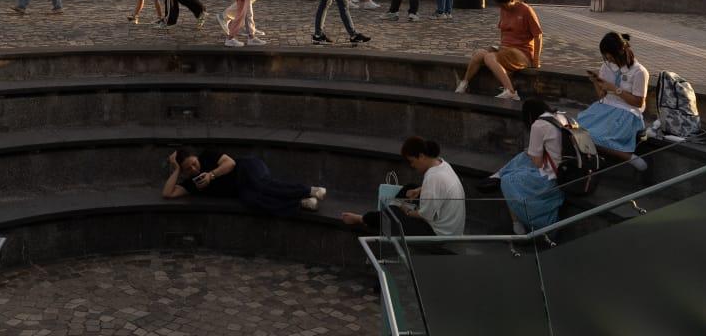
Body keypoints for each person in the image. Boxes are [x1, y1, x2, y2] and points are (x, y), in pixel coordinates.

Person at [337, 137, 466, 237]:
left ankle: (363, 219)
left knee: (392, 215)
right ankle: (387, 210)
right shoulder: (442, 164)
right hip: (451, 228)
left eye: (412, 161)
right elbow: (440, 188)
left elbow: (425, 215)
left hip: (438, 235)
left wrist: (407, 211)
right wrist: (420, 190)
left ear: (421, 156)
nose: (412, 166)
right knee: (410, 188)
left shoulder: (433, 178)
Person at [163, 150, 326, 214]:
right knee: (253, 201)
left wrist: (211, 175)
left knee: (262, 184)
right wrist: (176, 169)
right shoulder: (191, 184)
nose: (194, 169)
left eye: (194, 163)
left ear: (196, 157)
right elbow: (168, 193)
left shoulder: (207, 155)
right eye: (188, 169)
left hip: (246, 167)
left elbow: (230, 163)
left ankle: (310, 190)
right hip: (241, 189)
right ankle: (302, 202)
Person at [456, 0, 543, 101]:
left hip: (522, 52)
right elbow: (503, 31)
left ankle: (510, 91)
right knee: (479, 53)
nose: (502, 8)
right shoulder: (503, 10)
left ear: (512, 0)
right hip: (506, 49)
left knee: (490, 57)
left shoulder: (526, 10)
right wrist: (501, 47)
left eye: (504, 5)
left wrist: (536, 60)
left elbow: (538, 35)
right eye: (500, 5)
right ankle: (464, 83)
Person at [578, 32, 649, 171]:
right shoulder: (607, 67)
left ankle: (629, 158)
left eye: (609, 56)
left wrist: (616, 89)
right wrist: (595, 82)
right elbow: (602, 96)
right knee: (578, 133)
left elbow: (638, 102)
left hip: (626, 113)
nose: (608, 60)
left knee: (596, 137)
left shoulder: (639, 72)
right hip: (604, 109)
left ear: (620, 52)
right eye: (606, 57)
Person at [494, 98, 566, 234]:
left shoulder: (538, 125)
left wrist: (532, 152)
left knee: (507, 180)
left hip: (551, 178)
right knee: (523, 157)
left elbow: (537, 162)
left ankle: (518, 224)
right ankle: (499, 174)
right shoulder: (560, 116)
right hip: (566, 169)